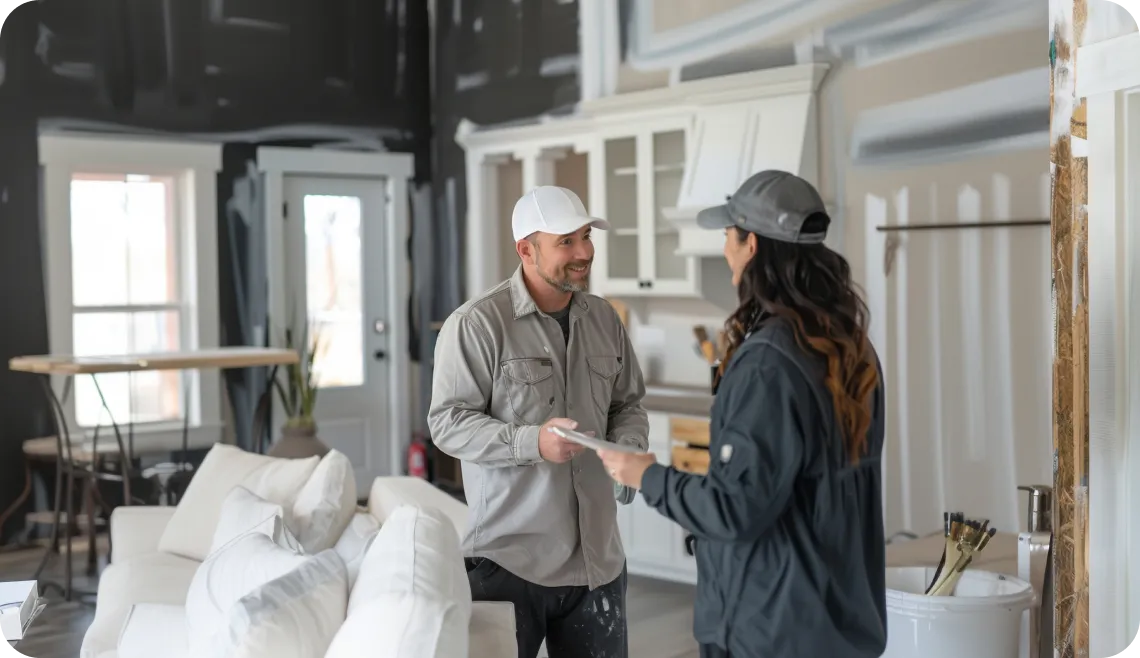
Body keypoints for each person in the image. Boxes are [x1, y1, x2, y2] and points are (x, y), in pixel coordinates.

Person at [598, 170, 888, 658]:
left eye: (729, 236)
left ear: (751, 244)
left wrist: (647, 476)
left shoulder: (768, 364)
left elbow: (734, 509)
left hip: (769, 628)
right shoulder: (852, 349)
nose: (726, 249)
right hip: (839, 619)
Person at [428, 185, 649, 658]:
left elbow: (628, 404)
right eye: (566, 241)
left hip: (598, 562)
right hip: (509, 561)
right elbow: (447, 422)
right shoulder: (477, 324)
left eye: (586, 237)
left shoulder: (605, 319)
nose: (584, 252)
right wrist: (531, 443)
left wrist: (628, 446)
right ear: (526, 250)